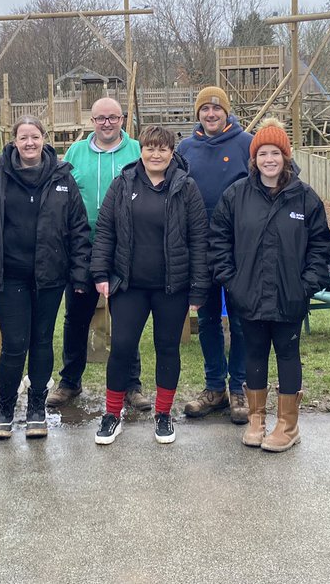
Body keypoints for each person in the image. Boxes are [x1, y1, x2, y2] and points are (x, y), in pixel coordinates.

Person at [210, 119, 330, 452]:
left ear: (285, 157)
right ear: (254, 159)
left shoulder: (304, 198)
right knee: (254, 353)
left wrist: (306, 284)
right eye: (263, 153)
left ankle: (288, 426)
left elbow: (321, 245)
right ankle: (256, 420)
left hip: (289, 295)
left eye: (275, 153)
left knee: (288, 355)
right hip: (247, 294)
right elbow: (218, 240)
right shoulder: (236, 195)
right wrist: (232, 281)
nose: (269, 159)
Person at [0, 115, 90, 440]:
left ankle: (37, 407)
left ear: (44, 139)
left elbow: (78, 228)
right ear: (14, 142)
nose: (29, 143)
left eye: (34, 137)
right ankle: (4, 409)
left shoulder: (62, 178)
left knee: (41, 342)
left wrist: (79, 271)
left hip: (50, 276)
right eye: (23, 137)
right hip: (9, 276)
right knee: (14, 345)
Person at [90, 125, 209, 446]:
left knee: (167, 348)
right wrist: (100, 273)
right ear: (140, 150)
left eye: (163, 149)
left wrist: (199, 287)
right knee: (122, 347)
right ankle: (112, 414)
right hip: (129, 287)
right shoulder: (123, 184)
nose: (156, 154)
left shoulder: (187, 188)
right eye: (150, 148)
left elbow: (199, 239)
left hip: (172, 287)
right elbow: (105, 230)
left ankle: (164, 414)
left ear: (172, 153)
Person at [50, 97, 146, 412]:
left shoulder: (137, 152)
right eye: (100, 118)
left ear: (122, 119)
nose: (107, 123)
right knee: (77, 317)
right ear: (91, 121)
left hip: (125, 250)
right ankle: (69, 381)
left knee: (126, 319)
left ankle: (131, 385)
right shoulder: (75, 153)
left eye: (113, 117)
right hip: (83, 249)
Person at [176, 85, 253, 424]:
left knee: (240, 320)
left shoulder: (245, 144)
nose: (211, 114)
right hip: (199, 250)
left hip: (238, 250)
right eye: (205, 109)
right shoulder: (185, 149)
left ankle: (239, 388)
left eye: (217, 108)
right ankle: (214, 387)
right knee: (207, 320)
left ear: (226, 112)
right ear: (198, 114)